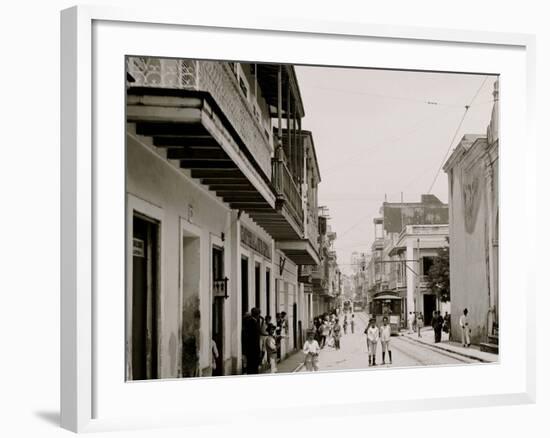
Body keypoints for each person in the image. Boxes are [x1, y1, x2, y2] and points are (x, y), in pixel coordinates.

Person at [242, 307, 262, 374]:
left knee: (251, 368)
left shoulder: (251, 322)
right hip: (253, 350)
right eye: (259, 314)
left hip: (250, 350)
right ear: (257, 315)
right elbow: (254, 339)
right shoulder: (252, 323)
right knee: (253, 369)